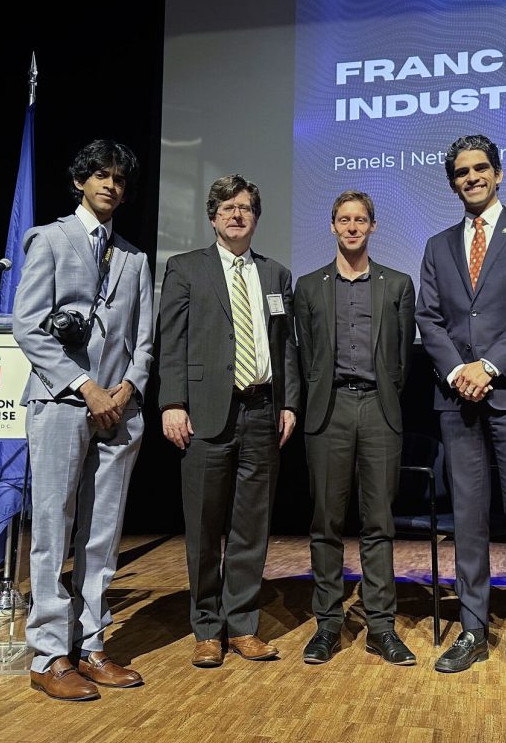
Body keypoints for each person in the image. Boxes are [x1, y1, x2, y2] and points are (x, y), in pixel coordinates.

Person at [13, 139, 153, 701]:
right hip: (61, 404)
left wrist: (125, 388)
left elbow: (146, 341)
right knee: (52, 530)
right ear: (79, 181)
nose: (110, 185)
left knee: (102, 536)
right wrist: (87, 387)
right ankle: (49, 656)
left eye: (118, 178)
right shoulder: (49, 239)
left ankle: (92, 646)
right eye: (99, 175)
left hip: (119, 412)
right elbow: (28, 326)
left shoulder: (135, 259)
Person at [416, 134, 506, 684]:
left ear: (498, 174)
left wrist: (489, 367)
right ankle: (472, 627)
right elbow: (429, 317)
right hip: (457, 397)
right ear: (453, 183)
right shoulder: (437, 243)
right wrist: (457, 371)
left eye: (480, 169)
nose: (471, 178)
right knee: (468, 522)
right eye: (461, 172)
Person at [159, 174, 299, 668]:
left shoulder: (276, 274)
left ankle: (242, 625)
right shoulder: (185, 269)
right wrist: (171, 402)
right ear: (213, 216)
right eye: (227, 207)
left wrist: (290, 402)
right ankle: (206, 628)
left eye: (245, 207)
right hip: (205, 413)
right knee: (203, 526)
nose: (237, 214)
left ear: (255, 217)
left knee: (251, 526)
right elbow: (171, 342)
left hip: (262, 410)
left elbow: (285, 346)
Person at [294, 191, 416, 666]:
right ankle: (327, 624)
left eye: (359, 219)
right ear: (331, 227)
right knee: (326, 522)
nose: (351, 227)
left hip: (379, 410)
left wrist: (381, 396)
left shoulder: (397, 285)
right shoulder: (308, 286)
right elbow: (304, 358)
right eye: (343, 220)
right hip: (329, 409)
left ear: (372, 226)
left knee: (378, 522)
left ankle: (380, 626)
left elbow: (402, 358)